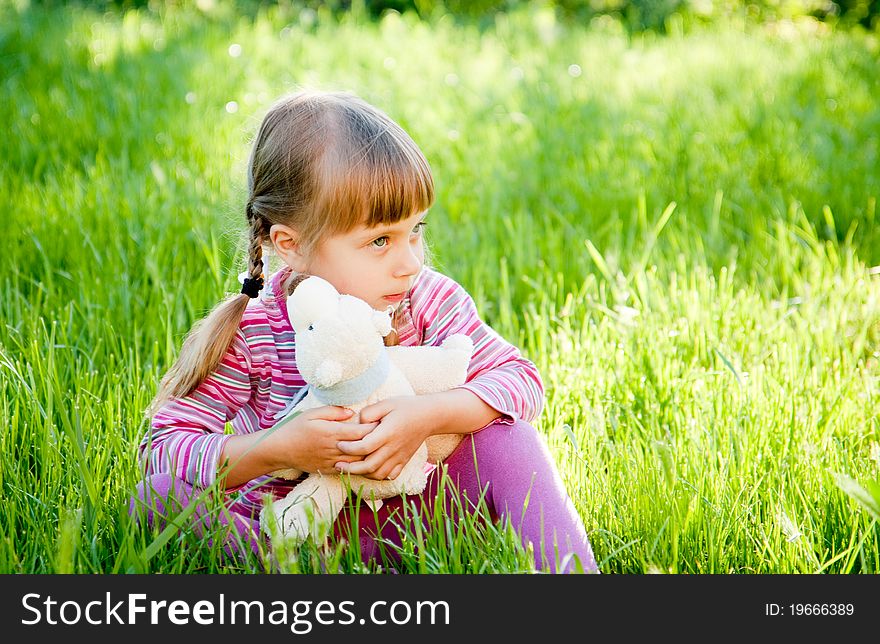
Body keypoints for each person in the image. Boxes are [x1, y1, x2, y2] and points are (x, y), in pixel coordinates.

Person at [131, 89, 598, 574]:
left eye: (415, 230)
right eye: (380, 240)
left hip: (416, 517)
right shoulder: (255, 332)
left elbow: (521, 381)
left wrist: (426, 415)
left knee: (509, 437)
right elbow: (162, 451)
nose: (411, 262)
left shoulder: (426, 298)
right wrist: (278, 449)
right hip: (296, 529)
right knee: (156, 498)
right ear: (290, 245)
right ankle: (279, 568)